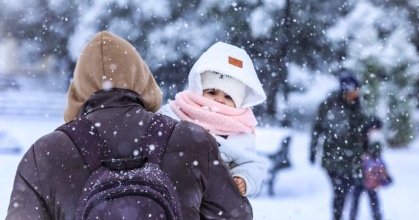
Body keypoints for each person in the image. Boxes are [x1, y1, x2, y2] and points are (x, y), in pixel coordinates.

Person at [6, 31, 252, 220]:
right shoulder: (191, 139)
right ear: (143, 80)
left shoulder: (46, 153)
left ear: (78, 91)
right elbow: (235, 215)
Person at [158, 41, 268, 198]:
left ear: (238, 102)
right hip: (170, 186)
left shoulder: (240, 131)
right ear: (198, 88)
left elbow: (251, 163)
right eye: (212, 92)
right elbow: (154, 135)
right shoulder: (177, 111)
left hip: (213, 197)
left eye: (228, 96)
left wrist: (244, 178)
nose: (219, 100)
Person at [309, 70, 370, 220]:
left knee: (353, 190)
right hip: (334, 159)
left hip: (354, 159)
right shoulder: (330, 105)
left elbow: (365, 129)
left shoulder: (359, 106)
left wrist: (368, 149)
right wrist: (313, 150)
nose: (356, 92)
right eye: (353, 89)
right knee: (340, 191)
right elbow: (318, 129)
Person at [350, 117, 392, 220]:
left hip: (369, 176)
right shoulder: (362, 138)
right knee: (360, 199)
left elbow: (378, 160)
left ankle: (376, 217)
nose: (376, 132)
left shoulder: (374, 139)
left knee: (371, 199)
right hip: (362, 175)